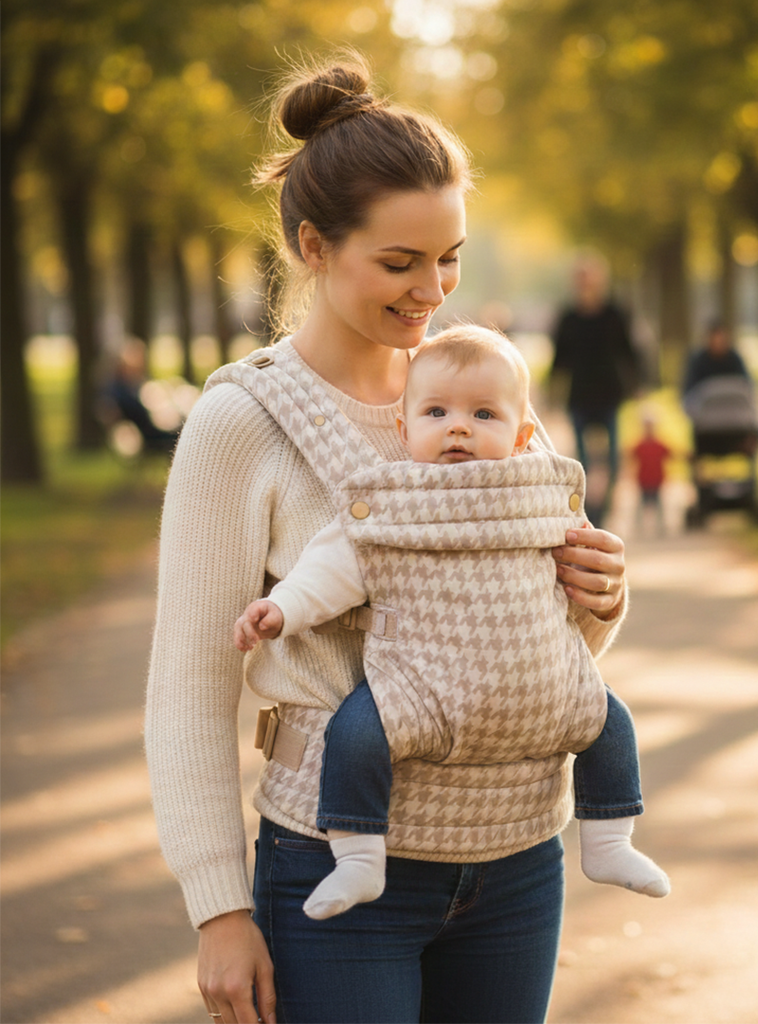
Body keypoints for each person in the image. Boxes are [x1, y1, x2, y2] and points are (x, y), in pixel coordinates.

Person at [145, 54, 634, 1024]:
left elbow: (541, 649)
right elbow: (189, 685)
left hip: (517, 858)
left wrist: (601, 597)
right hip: (336, 867)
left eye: (449, 256)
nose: (432, 292)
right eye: (400, 264)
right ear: (315, 247)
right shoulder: (244, 422)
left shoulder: (489, 398)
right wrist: (218, 908)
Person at [232, 325, 669, 921]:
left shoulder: (537, 494)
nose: (458, 426)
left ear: (522, 437)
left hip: (543, 689)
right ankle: (358, 854)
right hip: (416, 689)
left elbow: (579, 593)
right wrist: (282, 610)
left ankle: (610, 841)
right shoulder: (391, 499)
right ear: (404, 429)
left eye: (483, 414)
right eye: (437, 411)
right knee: (356, 735)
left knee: (610, 721)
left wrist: (604, 592)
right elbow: (332, 566)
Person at [550, 253, 640, 527]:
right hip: (579, 396)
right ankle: (589, 509)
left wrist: (637, 385)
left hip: (609, 394)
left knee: (613, 457)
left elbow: (629, 352)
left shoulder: (615, 313)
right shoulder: (568, 317)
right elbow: (559, 358)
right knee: (584, 459)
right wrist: (551, 391)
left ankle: (609, 505)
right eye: (581, 277)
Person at [682, 319, 750, 396]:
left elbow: (746, 385)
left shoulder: (734, 358)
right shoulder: (698, 360)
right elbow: (689, 392)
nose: (718, 343)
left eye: (721, 340)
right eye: (715, 340)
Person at [631, 416, 672, 537]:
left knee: (658, 507)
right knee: (642, 506)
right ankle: (639, 529)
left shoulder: (659, 445)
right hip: (644, 480)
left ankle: (661, 529)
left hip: (657, 480)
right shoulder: (640, 445)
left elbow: (670, 455)